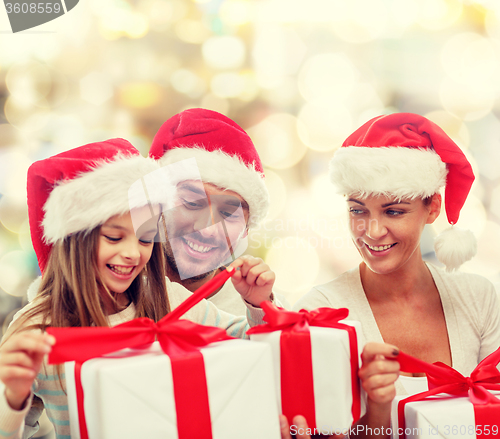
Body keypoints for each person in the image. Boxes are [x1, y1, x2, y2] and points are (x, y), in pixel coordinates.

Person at [0, 139, 275, 439]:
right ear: (75, 241)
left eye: (145, 239)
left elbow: (250, 345)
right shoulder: (36, 328)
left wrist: (257, 304)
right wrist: (12, 399)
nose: (133, 253)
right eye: (114, 238)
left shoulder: (169, 299)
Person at [286, 113, 500, 438]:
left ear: (432, 207)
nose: (372, 231)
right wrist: (377, 410)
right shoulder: (319, 312)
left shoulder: (477, 298)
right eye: (357, 210)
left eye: (394, 211)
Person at [149, 108, 281, 315]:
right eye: (192, 203)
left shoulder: (263, 309)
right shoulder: (113, 294)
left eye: (228, 214)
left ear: (246, 228)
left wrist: (263, 310)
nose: (207, 230)